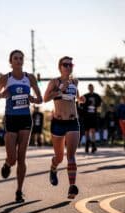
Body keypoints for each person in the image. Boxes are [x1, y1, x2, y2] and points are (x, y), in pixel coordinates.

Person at [0, 49, 42, 203]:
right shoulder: (5, 78)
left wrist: (33, 99)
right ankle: (7, 164)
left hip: (26, 119)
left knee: (21, 158)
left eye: (20, 58)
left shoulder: (30, 78)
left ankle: (19, 191)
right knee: (12, 159)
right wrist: (0, 95)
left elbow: (40, 99)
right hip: (11, 120)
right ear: (10, 61)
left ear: (23, 61)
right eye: (15, 58)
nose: (18, 61)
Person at [43, 56, 82, 199]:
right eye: (65, 64)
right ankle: (53, 169)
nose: (68, 67)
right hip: (58, 123)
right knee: (59, 157)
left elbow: (76, 97)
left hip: (72, 122)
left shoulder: (75, 81)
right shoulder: (54, 82)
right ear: (60, 67)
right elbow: (45, 98)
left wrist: (80, 99)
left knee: (70, 156)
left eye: (70, 64)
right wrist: (59, 90)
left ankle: (72, 187)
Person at [82, 84, 102, 153]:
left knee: (93, 130)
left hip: (94, 115)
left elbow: (100, 105)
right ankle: (87, 145)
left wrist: (98, 112)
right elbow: (81, 104)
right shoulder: (85, 96)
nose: (91, 89)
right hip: (87, 116)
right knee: (87, 131)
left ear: (93, 88)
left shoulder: (97, 96)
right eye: (90, 88)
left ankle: (93, 145)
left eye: (92, 88)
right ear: (88, 88)